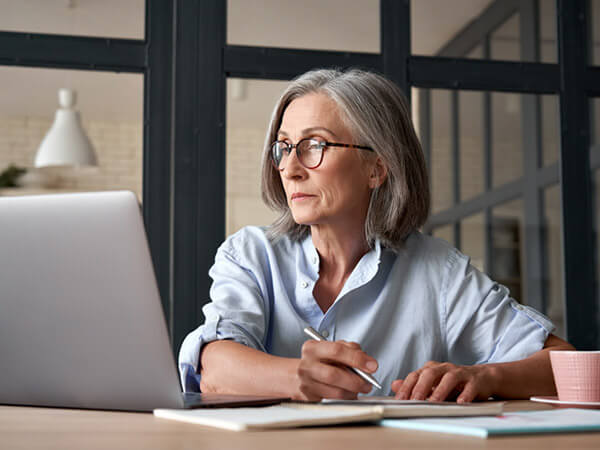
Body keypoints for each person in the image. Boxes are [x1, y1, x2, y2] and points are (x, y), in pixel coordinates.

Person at [179, 68, 573, 402]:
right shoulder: (250, 254)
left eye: (314, 145)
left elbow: (569, 365)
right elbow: (214, 367)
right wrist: (299, 377)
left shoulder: (440, 272)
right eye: (284, 147)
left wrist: (485, 377)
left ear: (377, 169)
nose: (291, 168)